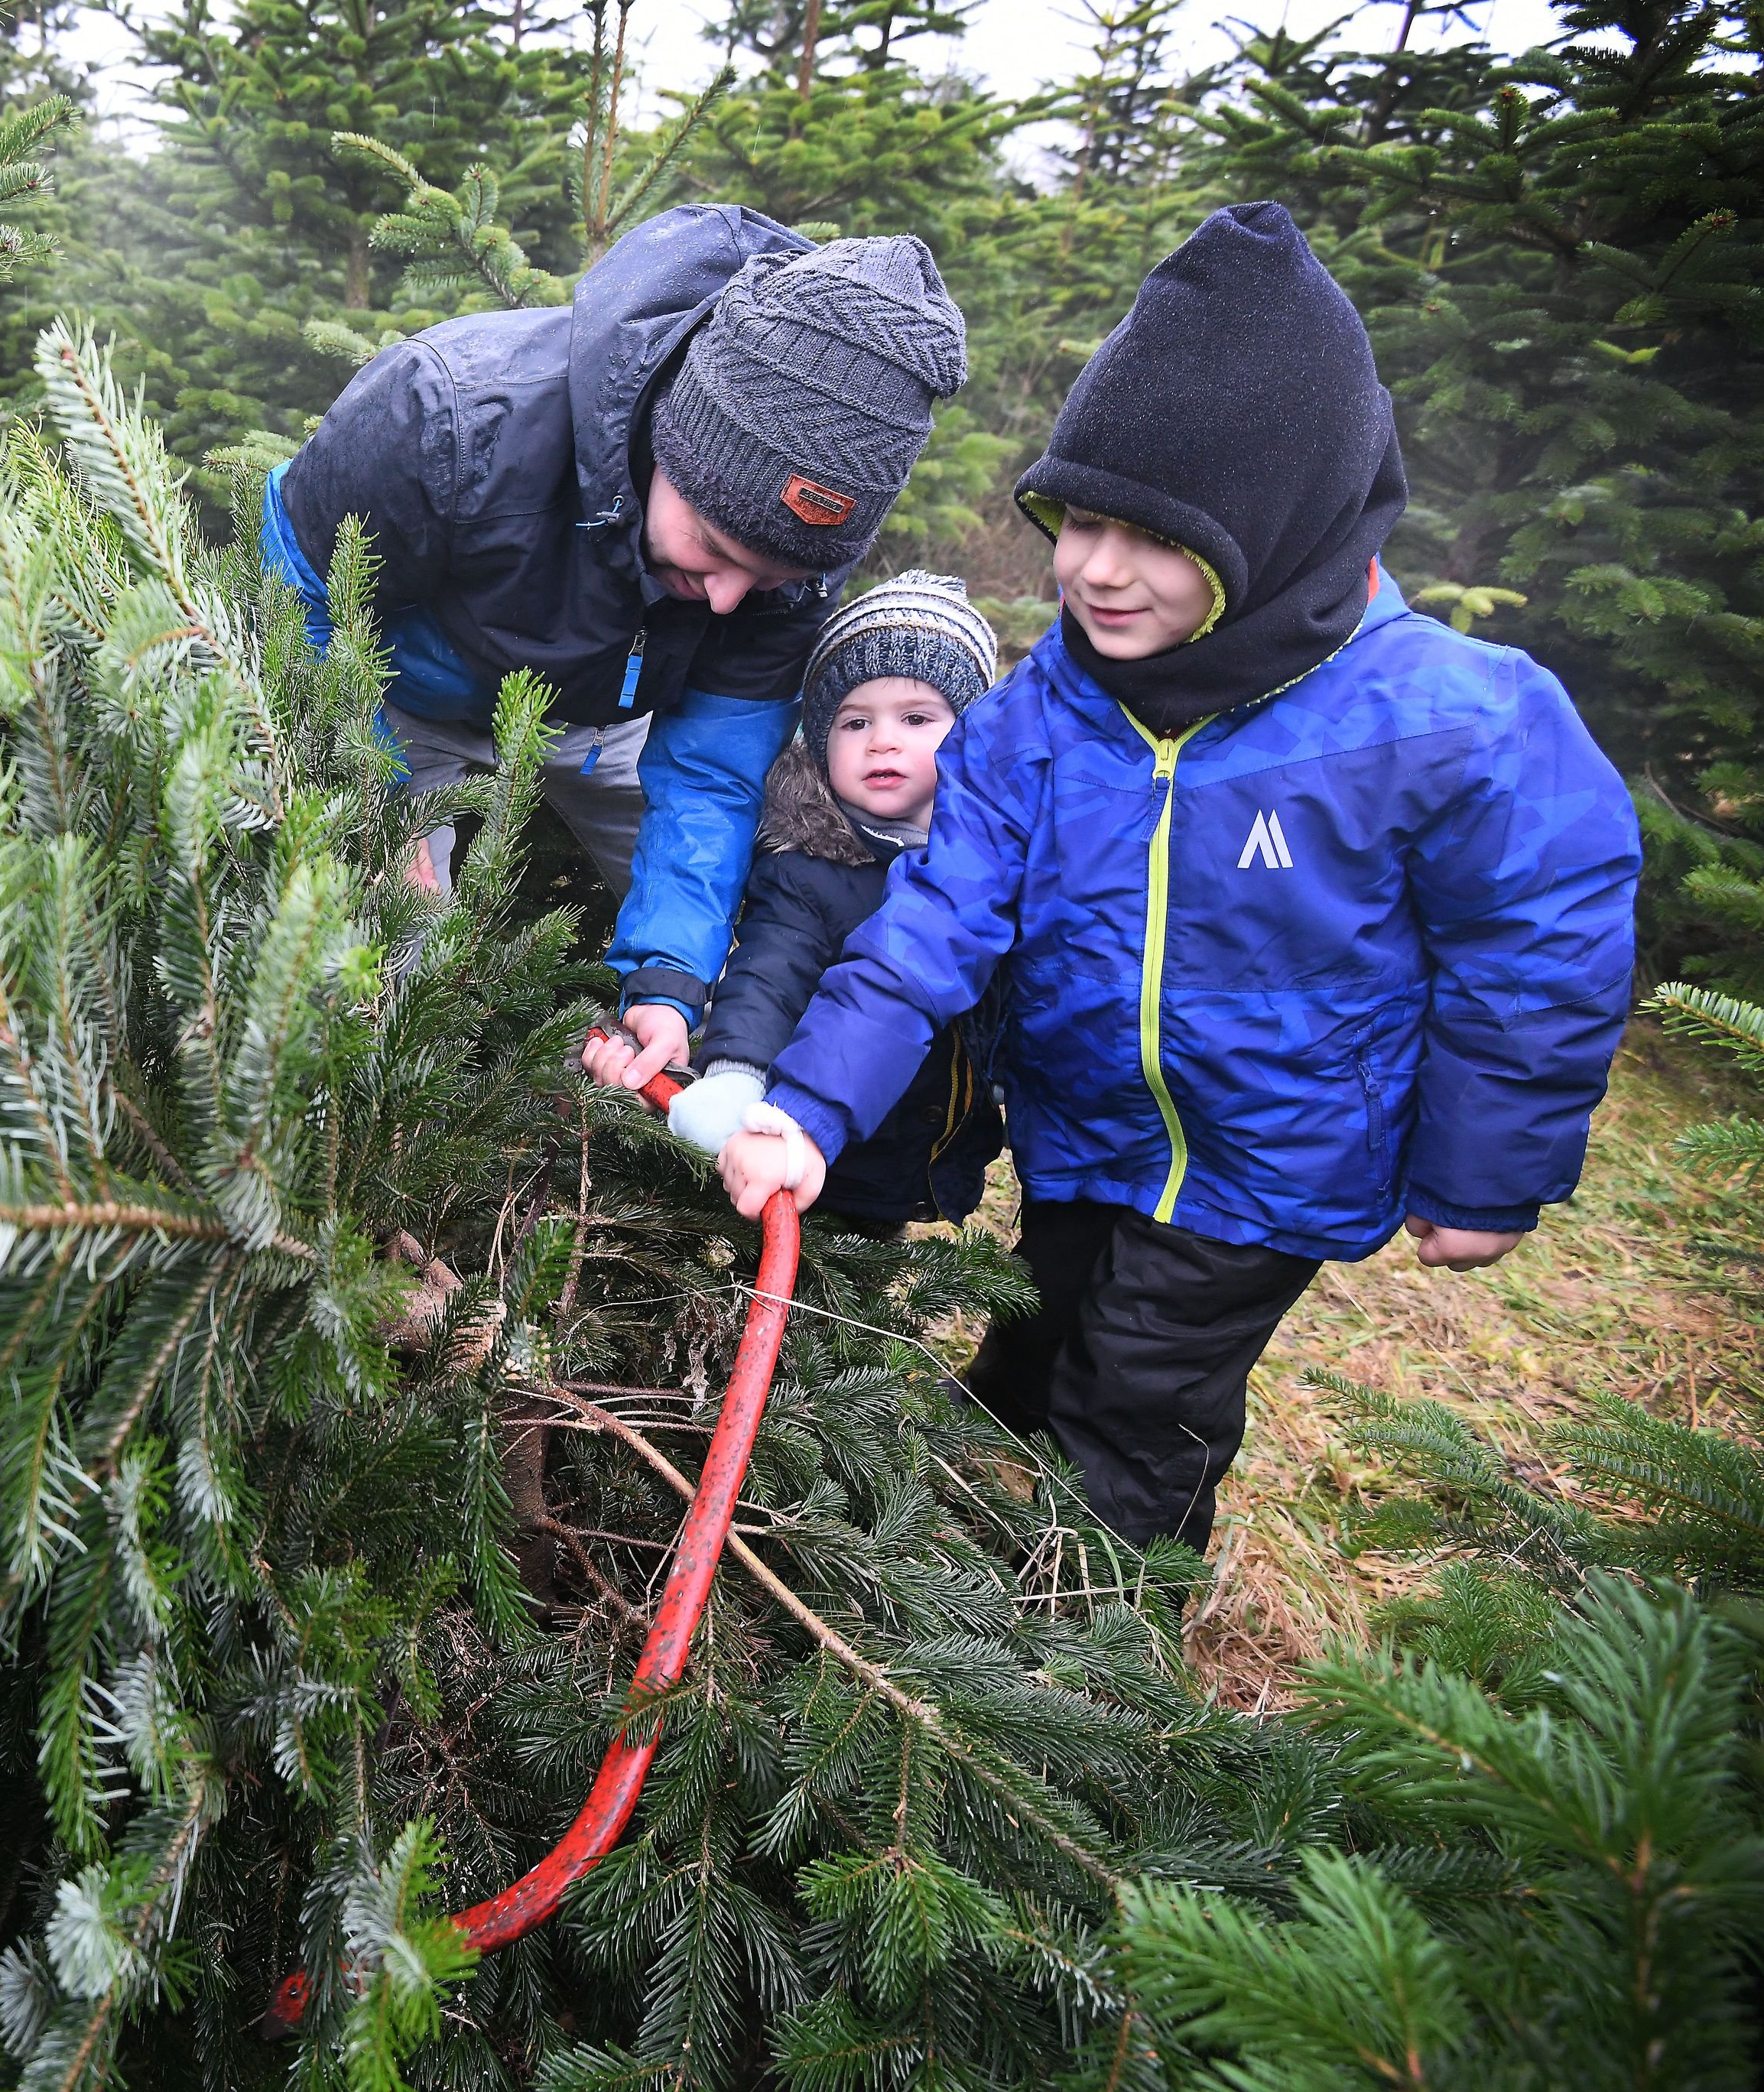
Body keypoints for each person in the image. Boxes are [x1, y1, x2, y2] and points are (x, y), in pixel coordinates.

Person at [688, 202, 1642, 1551]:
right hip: (1080, 1141)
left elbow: (1537, 946)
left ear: (1274, 529)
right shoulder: (1037, 718)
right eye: (1072, 517)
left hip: (1271, 1163)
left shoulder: (1447, 720)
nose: (1087, 566)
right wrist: (811, 1110)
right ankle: (950, 1557)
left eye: (1145, 534)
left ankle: (1097, 1670)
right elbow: (929, 929)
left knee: (1143, 1408)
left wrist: (1486, 1174)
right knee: (1041, 1338)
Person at [263, 210, 970, 1065]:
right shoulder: (448, 410)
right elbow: (298, 599)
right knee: (377, 964)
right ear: (670, 442)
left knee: (725, 953)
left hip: (609, 719)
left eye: (770, 579)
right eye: (712, 549)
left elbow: (712, 771)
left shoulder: (793, 565)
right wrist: (374, 810)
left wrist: (671, 977)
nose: (726, 603)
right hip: (399, 694)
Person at [660, 573, 1004, 1233]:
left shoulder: (994, 860)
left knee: (865, 1287)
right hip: (800, 1136)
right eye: (854, 721)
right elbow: (769, 975)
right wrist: (736, 1076)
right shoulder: (809, 864)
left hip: (920, 1146)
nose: (882, 740)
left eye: (916, 719)